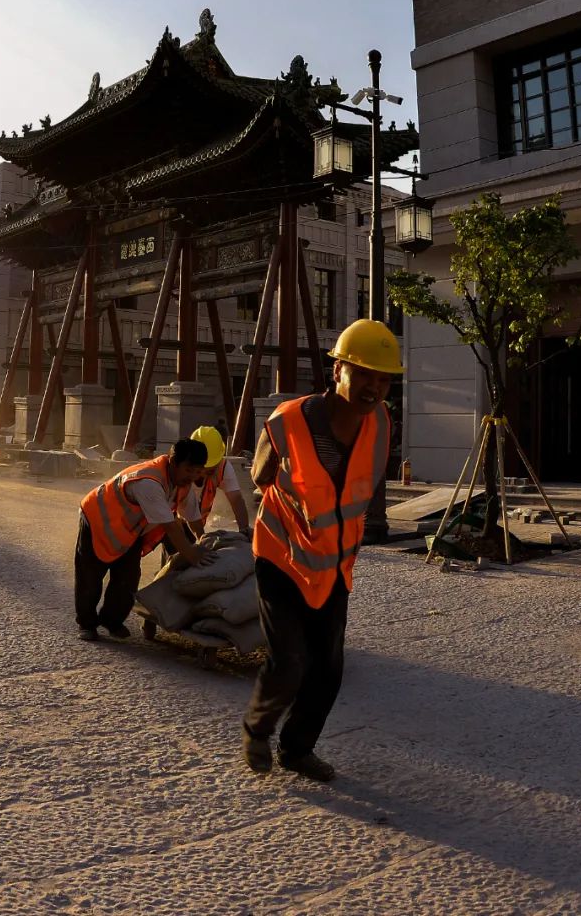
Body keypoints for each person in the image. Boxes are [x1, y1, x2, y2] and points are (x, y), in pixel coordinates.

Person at [242, 319, 400, 783]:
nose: (374, 386)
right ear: (338, 371)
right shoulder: (288, 421)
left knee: (328, 670)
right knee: (289, 661)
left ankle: (297, 750)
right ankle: (258, 729)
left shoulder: (382, 423)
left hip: (334, 565)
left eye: (384, 378)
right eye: (364, 373)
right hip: (280, 555)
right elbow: (259, 477)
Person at [74, 437, 212, 642]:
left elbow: (192, 519)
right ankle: (86, 624)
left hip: (129, 530)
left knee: (128, 578)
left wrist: (205, 542)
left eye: (197, 471)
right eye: (189, 470)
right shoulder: (149, 481)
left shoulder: (183, 485)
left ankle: (112, 621)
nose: (192, 476)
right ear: (174, 462)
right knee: (90, 576)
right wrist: (193, 556)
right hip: (98, 520)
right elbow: (171, 527)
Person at [187, 426, 251, 538]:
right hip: (174, 524)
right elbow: (180, 513)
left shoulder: (223, 466)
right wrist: (201, 539)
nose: (213, 470)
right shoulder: (182, 471)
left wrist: (244, 530)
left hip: (197, 525)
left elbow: (236, 500)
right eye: (207, 468)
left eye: (214, 466)